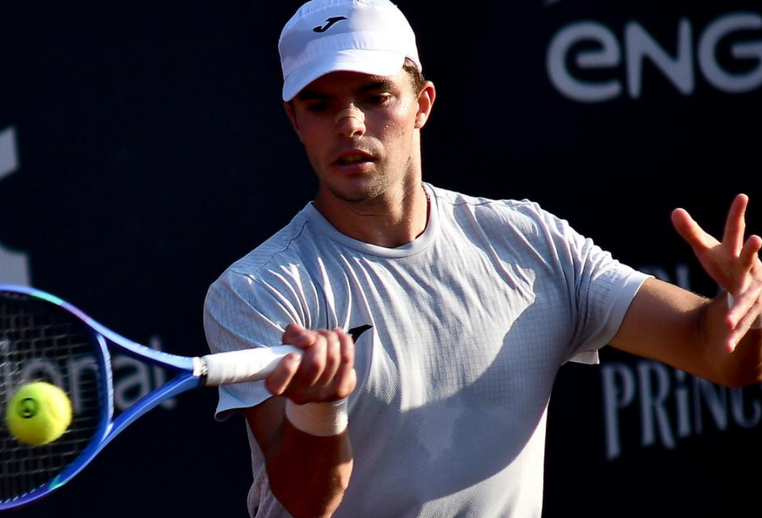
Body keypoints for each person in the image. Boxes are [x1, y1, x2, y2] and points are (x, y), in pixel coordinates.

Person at [202, 1, 762, 517]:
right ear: (295, 121)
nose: (349, 123)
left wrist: (748, 313)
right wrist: (318, 409)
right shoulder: (256, 290)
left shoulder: (532, 242)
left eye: (375, 96)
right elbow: (306, 502)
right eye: (320, 105)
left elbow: (721, 357)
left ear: (421, 105)